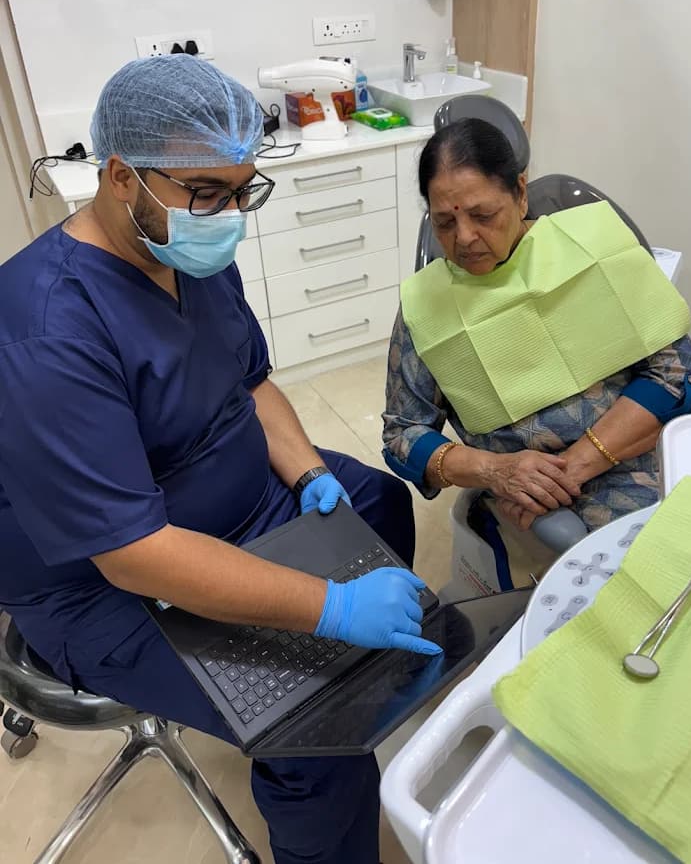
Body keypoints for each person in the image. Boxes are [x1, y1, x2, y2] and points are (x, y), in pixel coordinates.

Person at [0, 55, 439, 864]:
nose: (230, 215)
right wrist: (329, 611)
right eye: (208, 193)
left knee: (372, 499)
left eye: (242, 191)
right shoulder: (46, 332)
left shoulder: (186, 248)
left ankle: (362, 674)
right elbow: (137, 555)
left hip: (234, 503)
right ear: (123, 177)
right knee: (318, 731)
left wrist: (307, 474)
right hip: (110, 584)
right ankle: (319, 757)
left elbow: (251, 382)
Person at [383, 118, 691, 539]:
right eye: (444, 223)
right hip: (536, 488)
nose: (465, 238)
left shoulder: (593, 249)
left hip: (645, 445)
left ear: (519, 194)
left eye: (483, 215)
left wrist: (578, 463)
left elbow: (676, 372)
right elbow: (402, 435)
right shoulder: (426, 308)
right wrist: (494, 470)